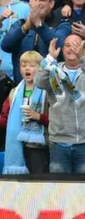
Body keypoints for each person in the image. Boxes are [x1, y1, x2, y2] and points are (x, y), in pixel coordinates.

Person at [0, 50, 49, 174]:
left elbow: (59, 119)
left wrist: (39, 117)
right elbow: (6, 120)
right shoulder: (14, 92)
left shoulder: (48, 91)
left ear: (41, 69)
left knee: (39, 183)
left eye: (32, 65)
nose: (27, 68)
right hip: (18, 144)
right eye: (23, 65)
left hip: (40, 146)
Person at [35, 36, 85, 174]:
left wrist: (82, 58)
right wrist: (50, 57)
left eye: (76, 45)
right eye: (68, 45)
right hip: (59, 142)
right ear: (62, 50)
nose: (72, 48)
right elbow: (39, 82)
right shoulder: (54, 70)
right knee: (59, 190)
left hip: (84, 142)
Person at [2, 0, 70, 82]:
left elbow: (60, 44)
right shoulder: (20, 24)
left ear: (51, 4)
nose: (37, 4)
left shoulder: (62, 24)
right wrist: (26, 27)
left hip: (51, 88)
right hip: (23, 85)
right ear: (29, 3)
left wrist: (39, 25)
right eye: (34, 0)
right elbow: (6, 46)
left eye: (42, 0)